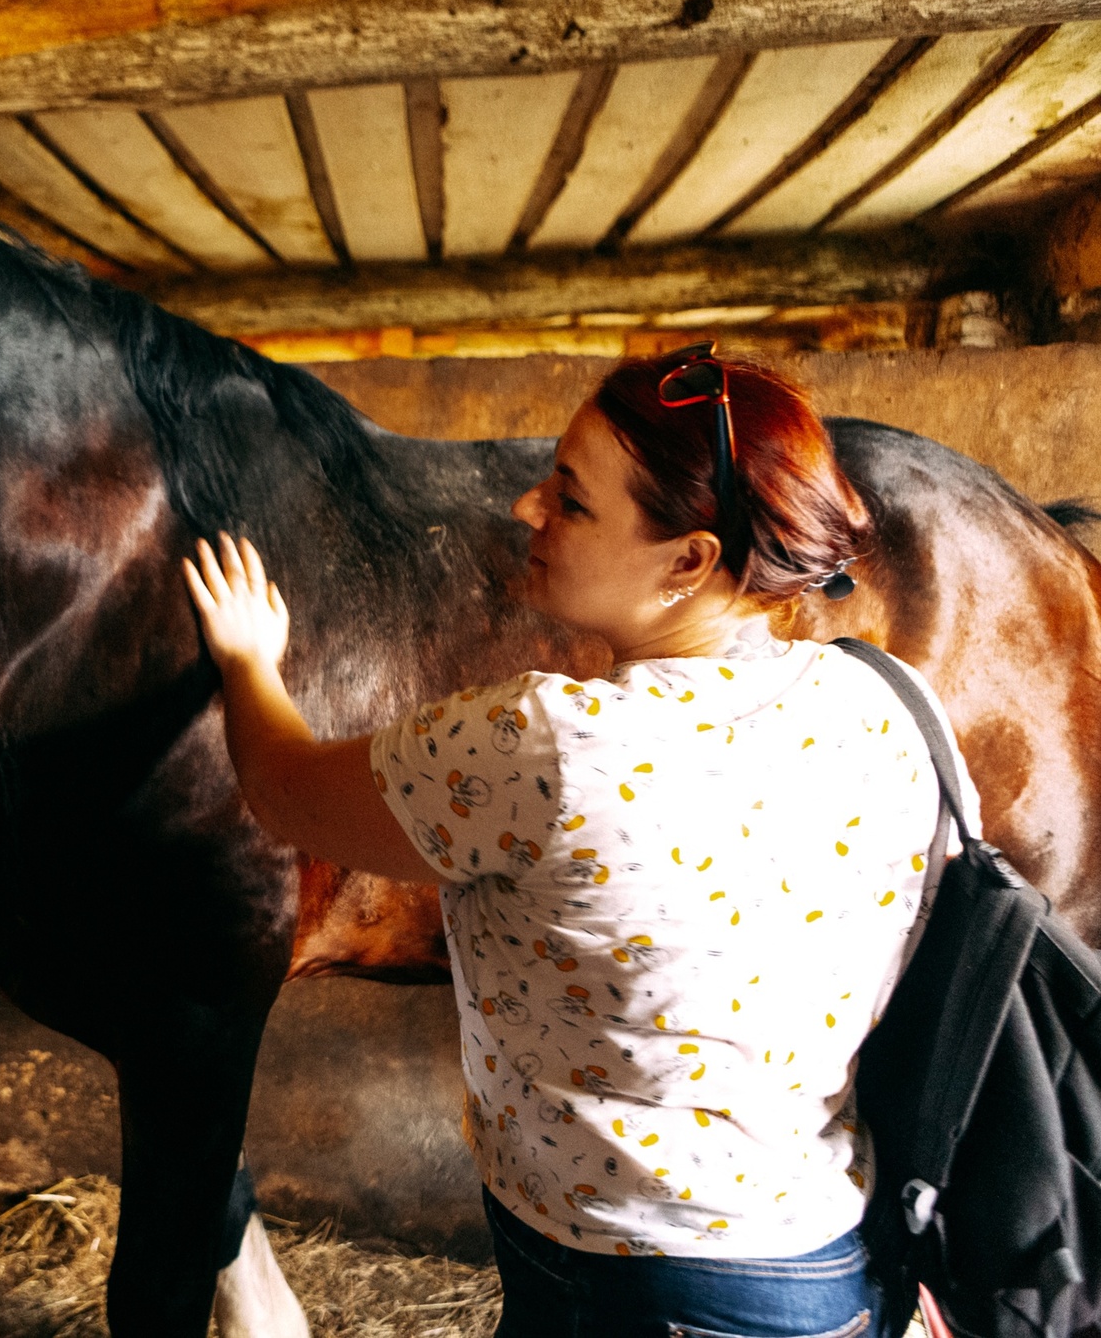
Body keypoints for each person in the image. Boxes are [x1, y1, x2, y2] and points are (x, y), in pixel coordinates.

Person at [182, 347, 979, 1338]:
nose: (526, 510)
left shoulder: (547, 745)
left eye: (569, 498)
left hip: (621, 1287)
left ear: (687, 560)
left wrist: (250, 662)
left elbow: (285, 791)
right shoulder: (891, 704)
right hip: (830, 1268)